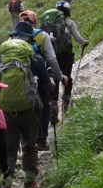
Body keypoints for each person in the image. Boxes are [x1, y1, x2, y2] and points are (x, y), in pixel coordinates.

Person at [0, 21, 52, 188]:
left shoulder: (2, 59)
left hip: (7, 111)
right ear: (29, 39)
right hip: (29, 109)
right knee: (30, 146)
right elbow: (47, 84)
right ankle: (30, 185)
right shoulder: (32, 56)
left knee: (9, 151)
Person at [18, 10, 68, 151]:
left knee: (25, 107)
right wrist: (60, 77)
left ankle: (26, 143)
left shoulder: (13, 40)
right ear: (35, 22)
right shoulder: (42, 35)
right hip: (39, 76)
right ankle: (42, 140)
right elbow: (51, 59)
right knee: (45, 106)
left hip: (20, 77)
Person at [50, 1, 88, 114]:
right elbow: (78, 38)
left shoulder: (51, 24)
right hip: (66, 55)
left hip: (53, 55)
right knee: (67, 77)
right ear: (67, 11)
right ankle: (66, 103)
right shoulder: (70, 23)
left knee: (55, 78)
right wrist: (84, 42)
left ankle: (54, 107)